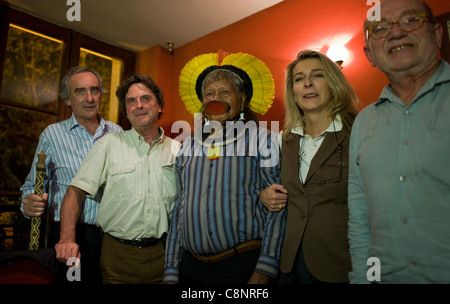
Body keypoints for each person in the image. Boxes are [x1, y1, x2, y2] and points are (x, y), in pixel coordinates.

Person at [348, 0, 450, 283]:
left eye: (410, 20)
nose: (395, 33)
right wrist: (361, 279)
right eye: (380, 28)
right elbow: (360, 218)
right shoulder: (364, 122)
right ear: (369, 54)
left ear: (438, 33)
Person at [163, 51, 286, 284]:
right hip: (191, 269)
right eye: (209, 93)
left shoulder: (264, 141)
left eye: (225, 92)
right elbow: (178, 209)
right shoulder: (186, 147)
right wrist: (171, 270)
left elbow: (278, 207)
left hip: (243, 267)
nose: (215, 98)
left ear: (242, 98)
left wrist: (265, 268)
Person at [55, 75, 179, 284]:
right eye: (131, 101)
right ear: (126, 112)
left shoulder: (178, 151)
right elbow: (75, 191)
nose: (138, 105)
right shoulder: (108, 144)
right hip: (117, 257)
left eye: (146, 98)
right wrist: (67, 239)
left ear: (159, 106)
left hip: (164, 255)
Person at [261, 50, 358, 283]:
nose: (307, 83)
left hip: (339, 265)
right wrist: (263, 195)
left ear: (333, 84)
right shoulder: (282, 141)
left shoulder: (357, 132)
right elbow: (268, 185)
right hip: (290, 265)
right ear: (292, 92)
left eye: (317, 75)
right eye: (298, 79)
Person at [20, 66, 123, 284]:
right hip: (69, 237)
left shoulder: (117, 133)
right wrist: (27, 204)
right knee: (72, 283)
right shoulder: (53, 134)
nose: (89, 98)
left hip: (111, 236)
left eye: (94, 90)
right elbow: (31, 186)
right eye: (80, 91)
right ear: (67, 99)